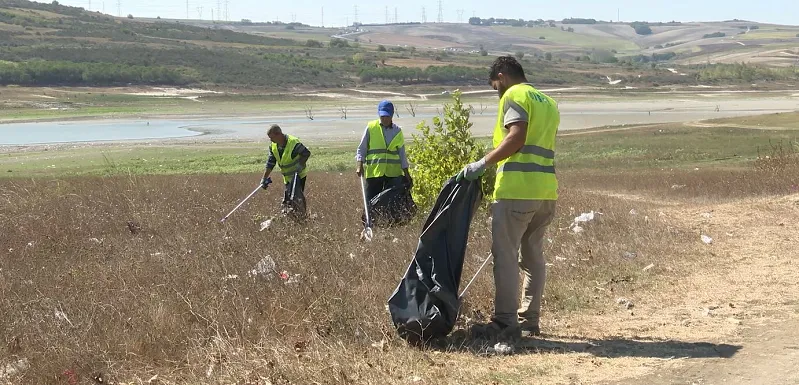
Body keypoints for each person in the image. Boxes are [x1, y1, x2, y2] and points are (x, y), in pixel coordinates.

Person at [458, 56, 560, 340]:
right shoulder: (547, 102)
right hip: (545, 191)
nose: (497, 93)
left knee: (505, 257)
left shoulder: (514, 95)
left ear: (501, 76)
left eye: (495, 87)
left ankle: (505, 322)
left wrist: (482, 163)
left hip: (517, 190)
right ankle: (530, 319)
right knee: (533, 257)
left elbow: (516, 137)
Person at [355, 100, 412, 202]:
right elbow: (362, 148)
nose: (385, 119)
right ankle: (370, 218)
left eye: (387, 116)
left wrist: (406, 173)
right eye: (382, 116)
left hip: (393, 175)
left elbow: (402, 154)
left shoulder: (397, 131)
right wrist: (359, 165)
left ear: (392, 115)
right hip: (375, 173)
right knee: (371, 203)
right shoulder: (371, 128)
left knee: (392, 204)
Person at [262, 124, 311, 215]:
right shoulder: (273, 146)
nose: (271, 140)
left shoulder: (293, 143)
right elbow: (270, 163)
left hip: (298, 176)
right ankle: (290, 216)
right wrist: (264, 178)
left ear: (278, 134)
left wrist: (300, 165)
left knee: (296, 198)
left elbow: (306, 153)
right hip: (287, 177)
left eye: (272, 137)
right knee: (288, 199)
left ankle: (301, 218)